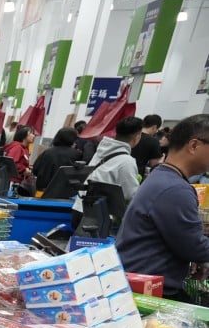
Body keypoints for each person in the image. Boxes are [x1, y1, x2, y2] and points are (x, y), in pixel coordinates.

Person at [116, 114, 209, 302]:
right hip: (150, 293)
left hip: (139, 283)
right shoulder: (174, 189)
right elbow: (193, 247)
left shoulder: (163, 177)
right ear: (194, 146)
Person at [70, 116, 142, 221]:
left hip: (80, 208)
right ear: (137, 137)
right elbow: (130, 194)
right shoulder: (127, 161)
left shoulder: (102, 150)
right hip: (98, 216)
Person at [32, 127, 81, 191]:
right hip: (64, 191)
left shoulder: (47, 152)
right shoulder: (76, 154)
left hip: (43, 190)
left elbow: (35, 170)